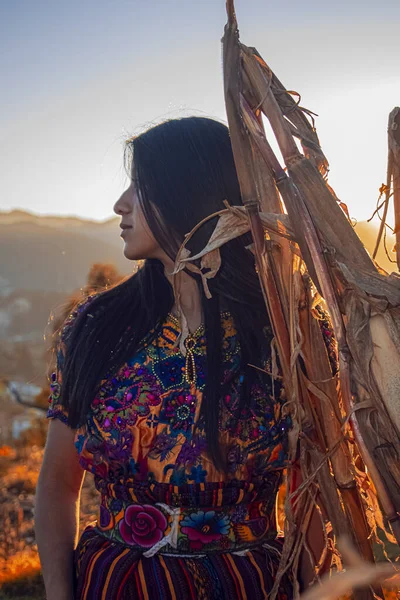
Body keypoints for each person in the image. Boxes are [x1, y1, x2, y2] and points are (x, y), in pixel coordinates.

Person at [35, 117, 328, 599]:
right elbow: (58, 485)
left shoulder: (287, 335)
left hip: (247, 586)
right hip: (115, 586)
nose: (120, 205)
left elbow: (310, 496)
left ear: (191, 192)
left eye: (141, 187)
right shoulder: (96, 329)